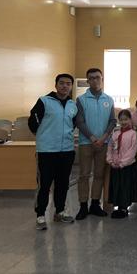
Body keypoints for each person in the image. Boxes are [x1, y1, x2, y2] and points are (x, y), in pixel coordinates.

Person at [29, 73, 78, 230]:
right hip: (47, 151)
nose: (65, 86)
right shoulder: (44, 101)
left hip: (67, 150)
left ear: (71, 86)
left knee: (63, 183)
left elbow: (73, 124)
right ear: (56, 85)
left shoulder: (72, 105)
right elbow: (33, 123)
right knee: (44, 184)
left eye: (68, 84)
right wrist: (44, 137)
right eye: (61, 83)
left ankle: (60, 212)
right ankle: (40, 215)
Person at [75, 68, 117, 220]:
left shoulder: (109, 99)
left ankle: (94, 204)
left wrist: (103, 137)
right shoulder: (81, 100)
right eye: (91, 78)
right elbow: (79, 121)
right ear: (87, 81)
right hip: (86, 143)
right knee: (84, 175)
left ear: (102, 79)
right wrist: (93, 138)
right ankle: (83, 206)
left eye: (97, 77)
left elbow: (112, 121)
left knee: (99, 175)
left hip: (104, 143)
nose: (95, 80)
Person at [106, 109, 137, 219]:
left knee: (125, 186)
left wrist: (122, 163)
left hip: (127, 166)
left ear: (130, 120)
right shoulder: (115, 134)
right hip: (115, 166)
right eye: (121, 119)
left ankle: (124, 207)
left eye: (126, 119)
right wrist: (110, 160)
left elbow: (132, 151)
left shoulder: (133, 134)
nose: (123, 122)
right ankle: (118, 207)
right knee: (116, 186)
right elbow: (110, 148)